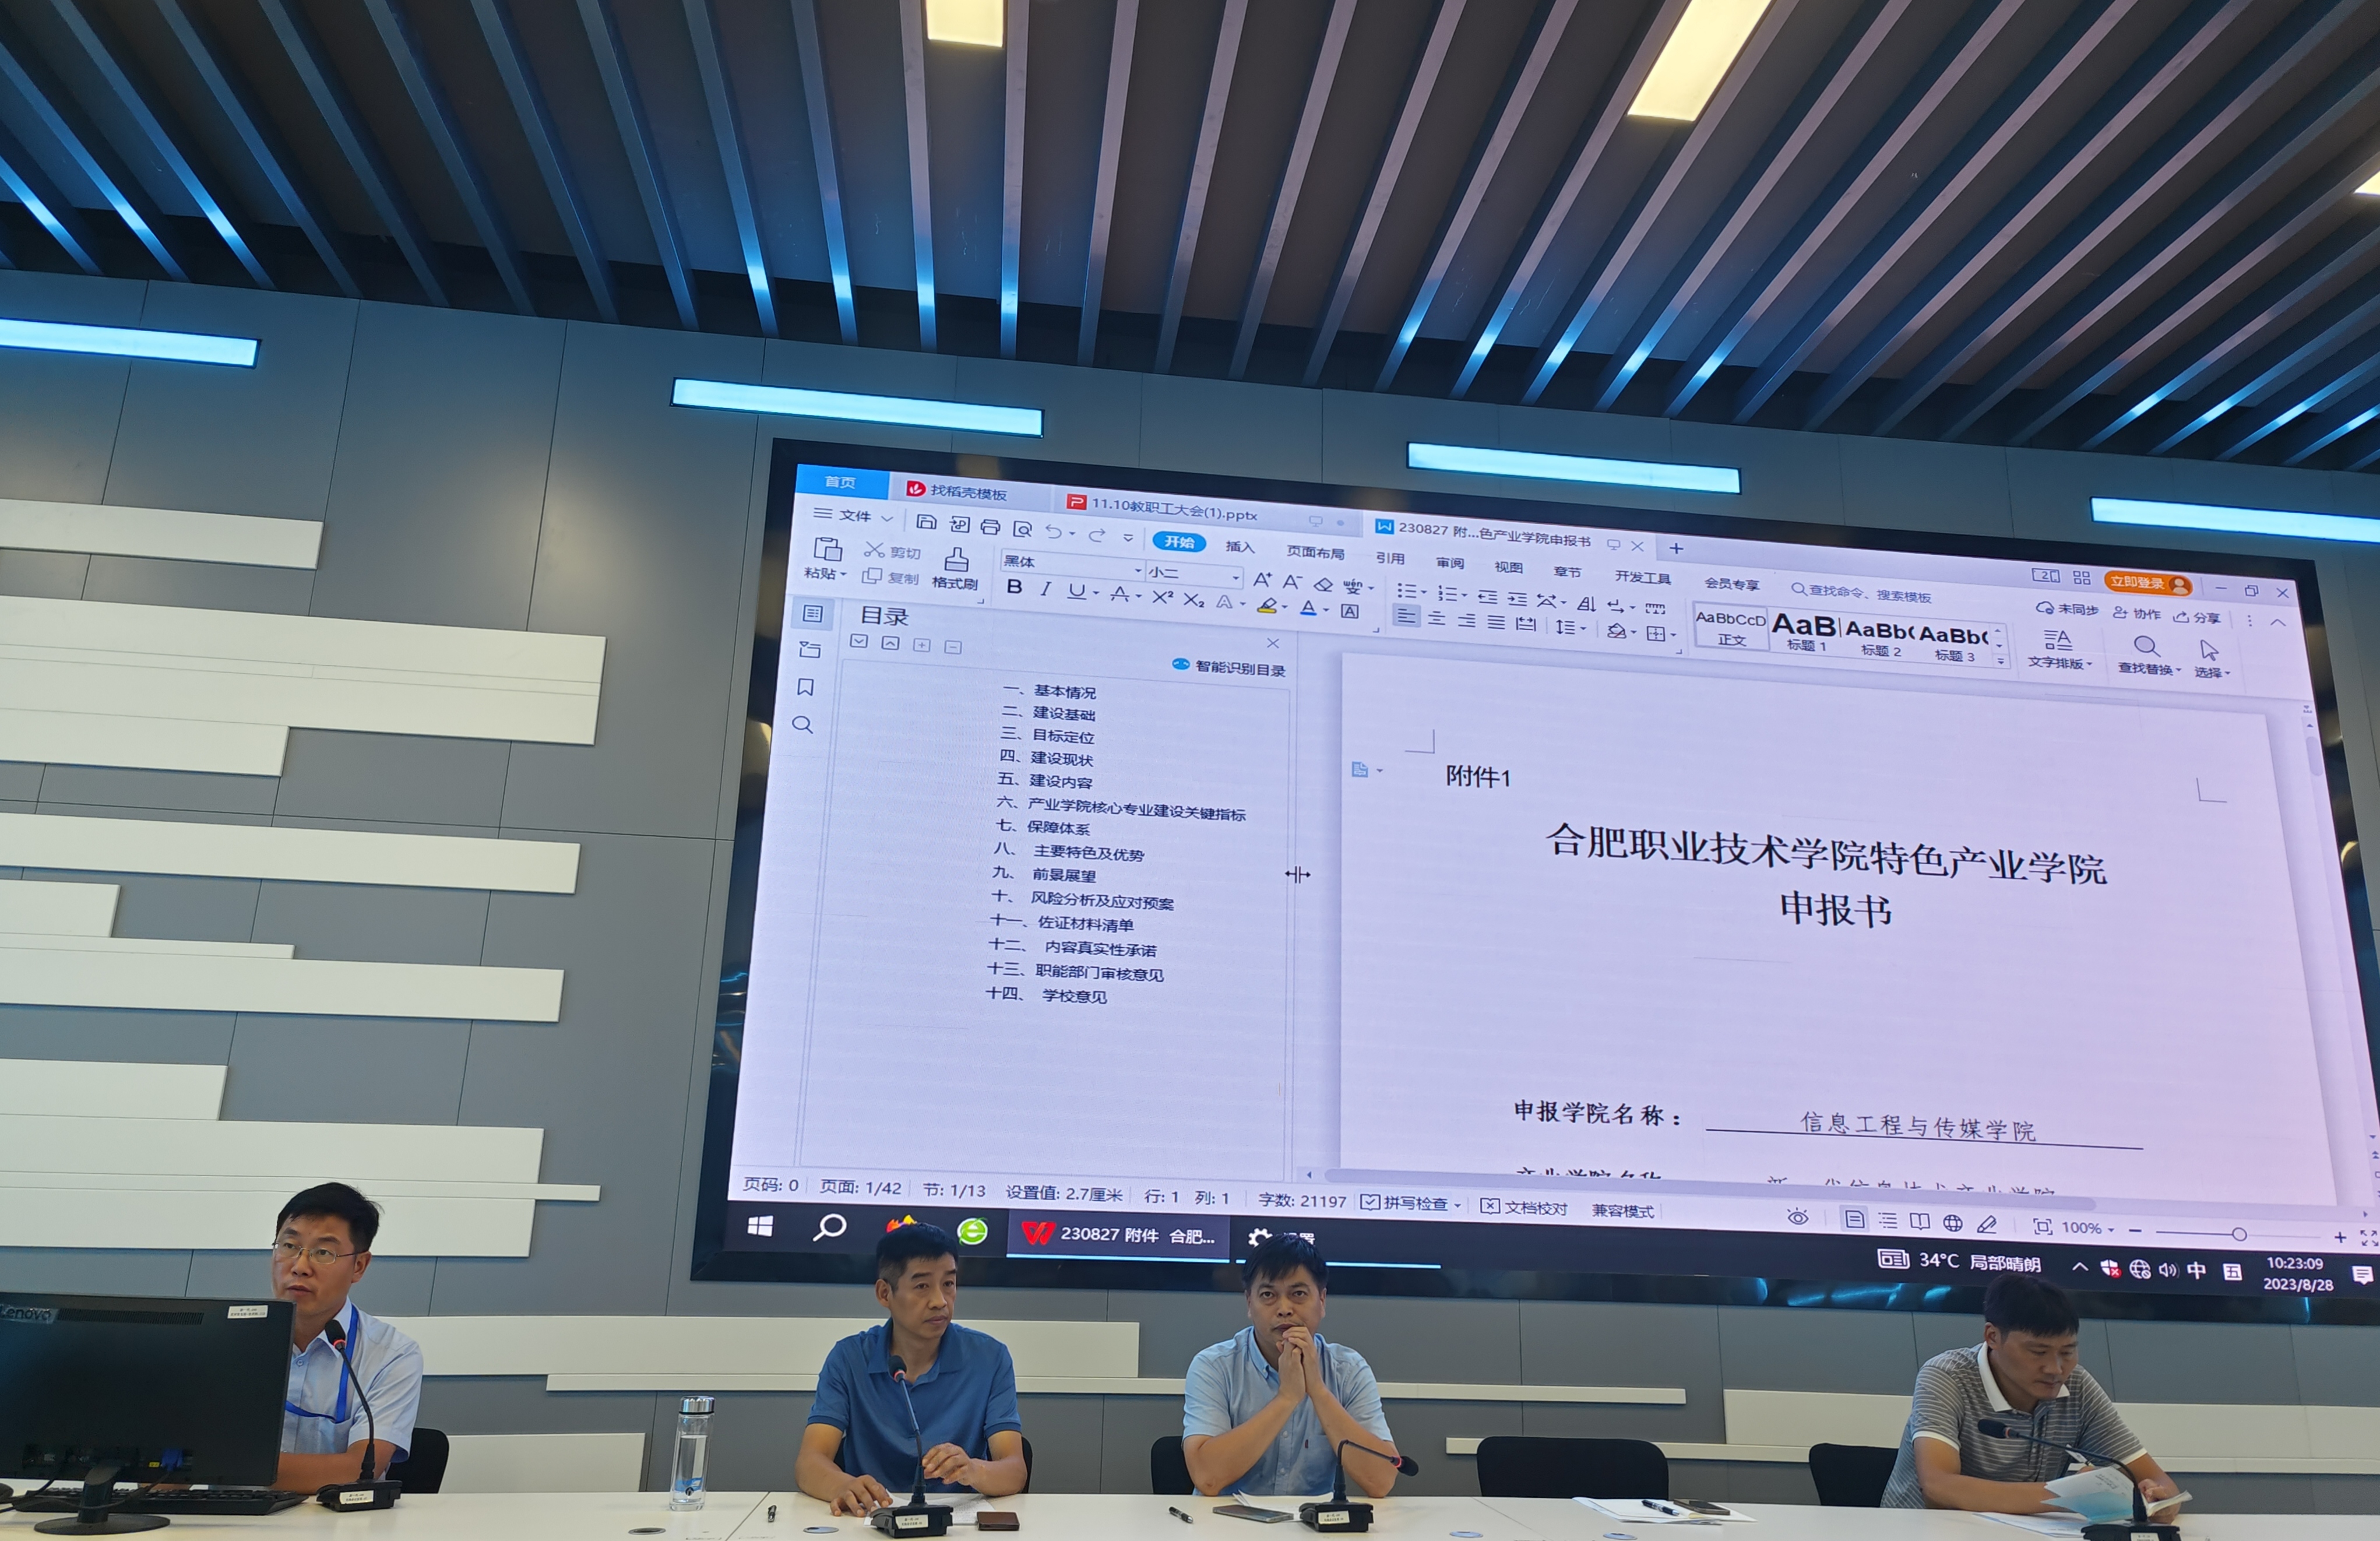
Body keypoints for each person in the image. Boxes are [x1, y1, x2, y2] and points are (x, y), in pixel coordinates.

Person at [1881, 1276, 2182, 1516]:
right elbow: (1939, 1488)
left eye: (2068, 1352)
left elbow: (2160, 1482)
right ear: (1993, 1337)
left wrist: (2159, 1500)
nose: (2056, 1369)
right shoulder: (1947, 1376)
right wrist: (2071, 1493)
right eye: (2038, 1352)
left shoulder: (2076, 1385)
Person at [797, 1223, 1027, 1515]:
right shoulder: (849, 1358)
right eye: (922, 1286)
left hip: (958, 1524)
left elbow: (1015, 1470)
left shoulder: (990, 1358)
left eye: (949, 1284)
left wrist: (973, 1470)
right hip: (870, 1520)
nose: (940, 1302)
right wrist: (843, 1485)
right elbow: (810, 1462)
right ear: (885, 1294)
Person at [1182, 1234, 1399, 1498]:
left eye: (1298, 1294)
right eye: (1268, 1295)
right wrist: (1287, 1398)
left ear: (1322, 1301)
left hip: (1311, 1521)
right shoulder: (1214, 1367)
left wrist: (1318, 1390)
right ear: (1250, 1303)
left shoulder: (1348, 1370)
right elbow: (1207, 1478)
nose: (1284, 1309)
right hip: (1224, 1520)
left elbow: (1381, 1481)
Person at [271, 1183, 423, 1492]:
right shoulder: (226, 1341)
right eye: (289, 1246)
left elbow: (358, 1470)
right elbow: (176, 1466)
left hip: (336, 1517)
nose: (300, 1267)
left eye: (323, 1253)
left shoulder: (392, 1355)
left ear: (359, 1266)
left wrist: (222, 1465)